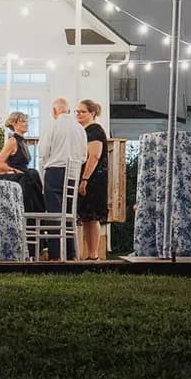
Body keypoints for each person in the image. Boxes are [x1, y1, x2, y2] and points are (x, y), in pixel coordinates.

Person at [38, 97, 84, 259]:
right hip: (73, 174)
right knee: (69, 213)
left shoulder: (52, 126)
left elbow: (43, 152)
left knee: (54, 214)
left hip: (55, 172)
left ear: (54, 111)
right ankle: (71, 253)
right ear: (69, 110)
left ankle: (56, 254)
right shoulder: (79, 128)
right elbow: (83, 156)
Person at [74, 99, 109, 260]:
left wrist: (85, 179)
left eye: (83, 112)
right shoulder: (83, 130)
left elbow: (94, 156)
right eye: (77, 111)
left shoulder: (95, 130)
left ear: (92, 113)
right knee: (86, 216)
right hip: (86, 176)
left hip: (94, 178)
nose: (79, 114)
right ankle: (88, 253)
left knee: (93, 215)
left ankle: (93, 253)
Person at [0, 110, 45, 211]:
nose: (26, 124)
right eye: (22, 122)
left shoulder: (22, 142)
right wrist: (13, 170)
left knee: (33, 173)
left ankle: (36, 215)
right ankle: (34, 214)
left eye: (26, 121)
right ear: (14, 124)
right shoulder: (12, 141)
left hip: (23, 176)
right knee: (32, 174)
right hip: (16, 177)